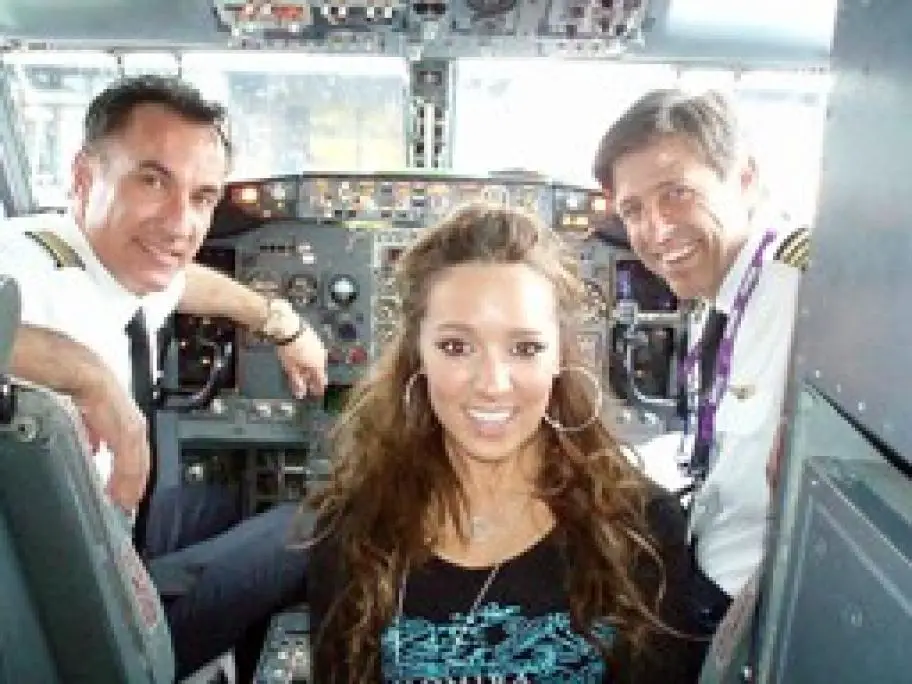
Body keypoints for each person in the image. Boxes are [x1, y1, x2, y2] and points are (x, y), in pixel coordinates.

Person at [0, 75, 326, 678]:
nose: (180, 225)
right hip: (82, 613)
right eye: (152, 181)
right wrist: (89, 377)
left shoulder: (113, 262)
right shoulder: (24, 264)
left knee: (236, 503)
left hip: (107, 526)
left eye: (202, 198)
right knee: (317, 525)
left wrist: (280, 323)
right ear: (83, 177)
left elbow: (182, 284)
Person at [303, 204, 705, 682]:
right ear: (418, 355)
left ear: (559, 358)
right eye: (456, 346)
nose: (492, 384)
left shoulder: (642, 529)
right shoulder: (353, 528)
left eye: (525, 348)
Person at [591, 88, 808, 633]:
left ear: (745, 179)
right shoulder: (716, 293)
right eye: (633, 210)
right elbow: (722, 450)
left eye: (677, 194)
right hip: (706, 564)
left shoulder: (807, 292)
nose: (656, 232)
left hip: (756, 611)